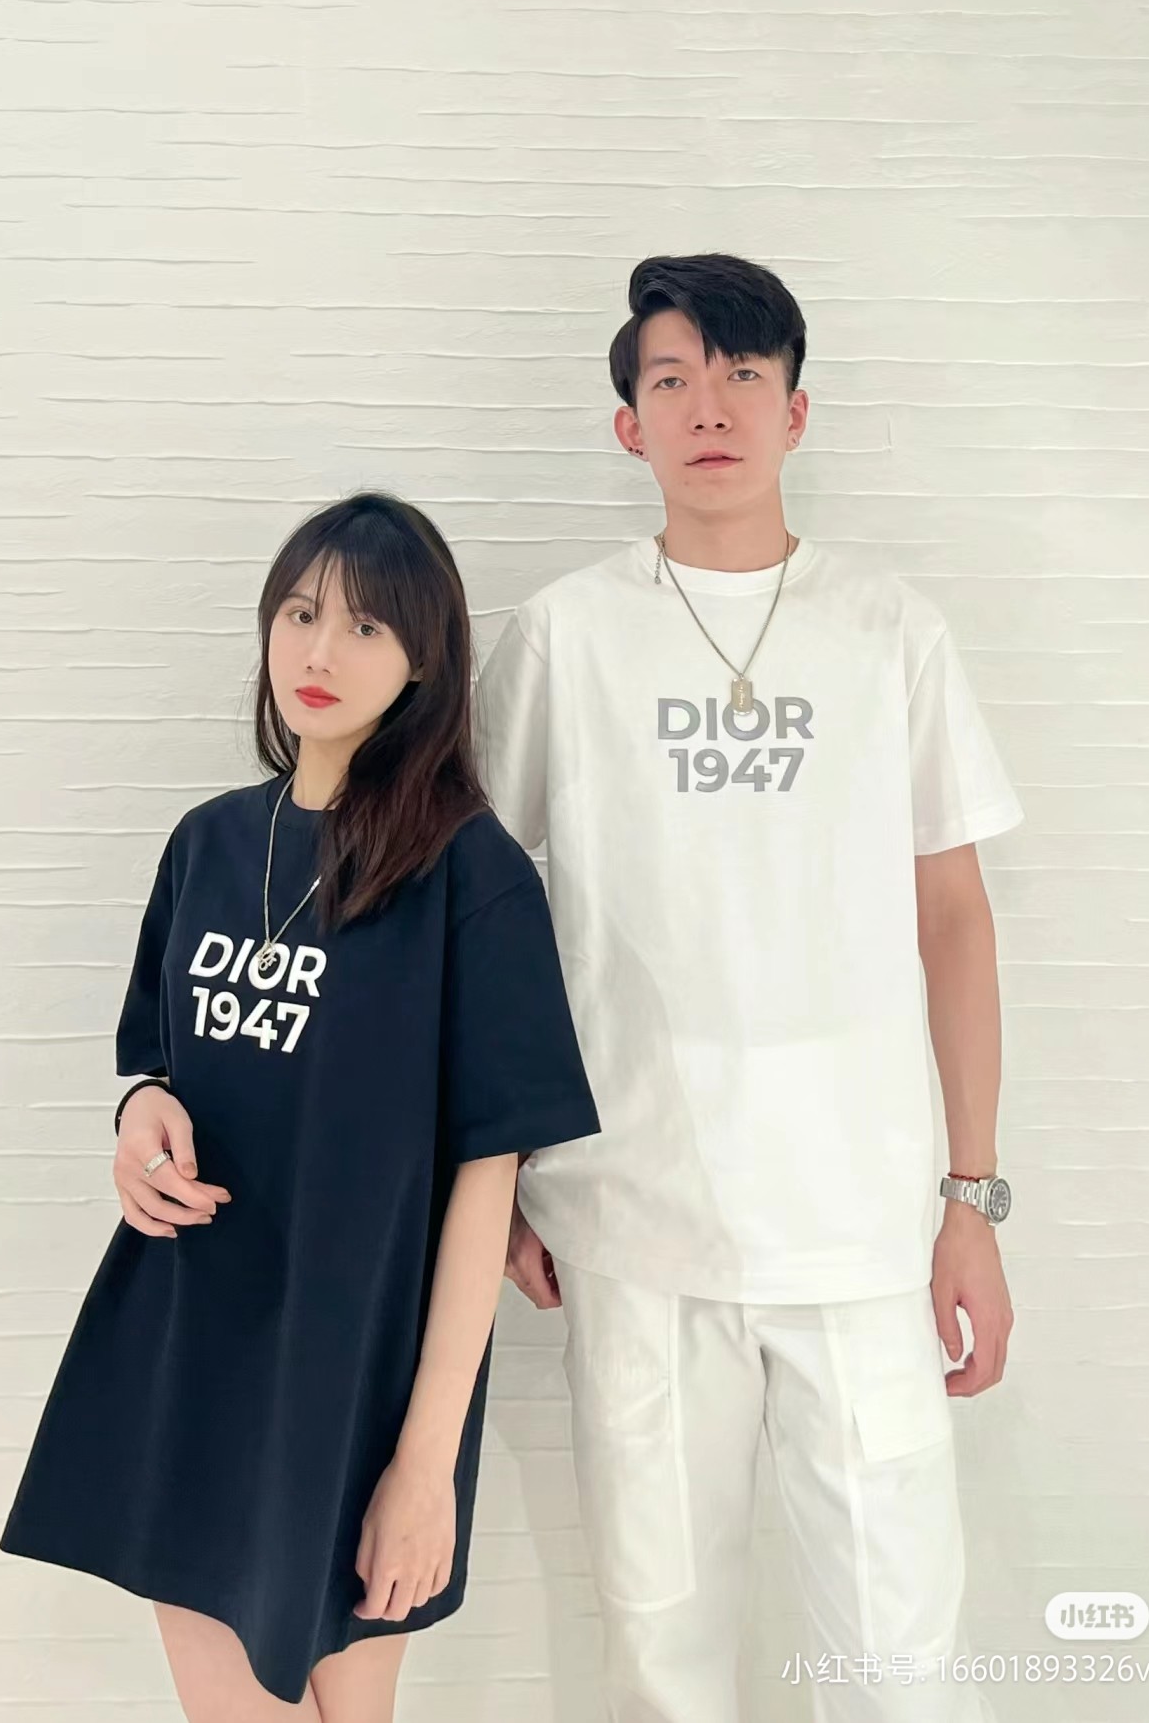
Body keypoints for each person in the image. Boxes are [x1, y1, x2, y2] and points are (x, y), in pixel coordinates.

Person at [476, 253, 1023, 1721]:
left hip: (861, 1229)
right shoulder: (565, 635)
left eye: (740, 376)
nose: (707, 407)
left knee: (901, 1660)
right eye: (672, 380)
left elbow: (953, 916)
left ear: (795, 412)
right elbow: (483, 922)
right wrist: (502, 1171)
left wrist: (971, 1199)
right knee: (662, 1657)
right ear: (628, 426)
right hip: (631, 1219)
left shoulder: (887, 628)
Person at [0, 493, 602, 1721]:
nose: (320, 651)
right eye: (300, 612)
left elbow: (485, 1179)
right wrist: (139, 1114)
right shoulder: (208, 844)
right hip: (189, 1340)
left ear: (424, 660)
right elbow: (161, 1066)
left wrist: (423, 1463)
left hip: (354, 1377)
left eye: (367, 626)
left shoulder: (471, 876)